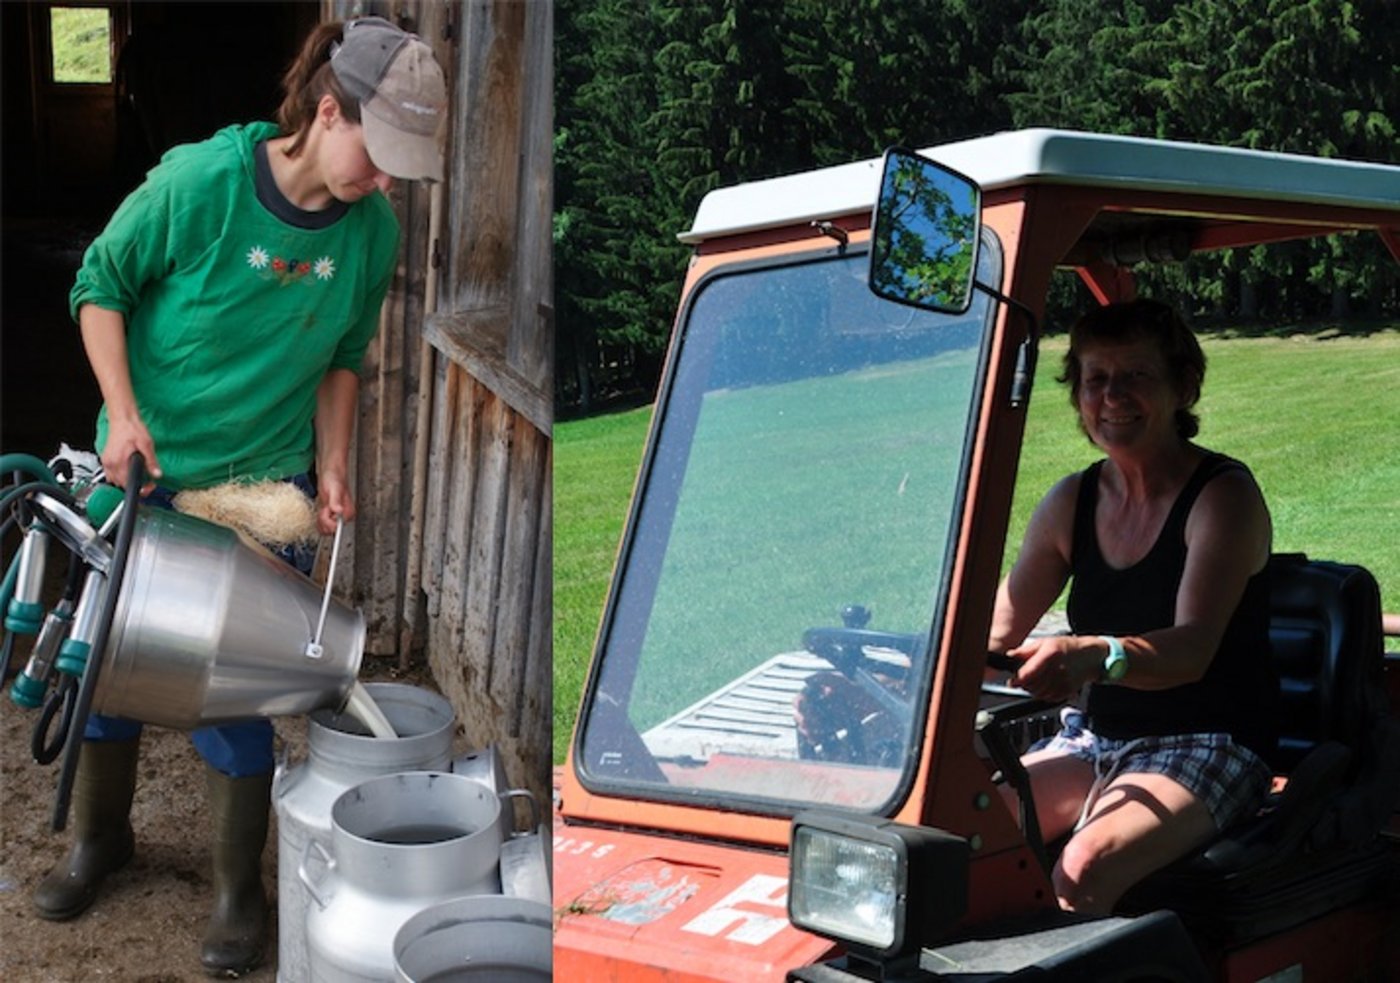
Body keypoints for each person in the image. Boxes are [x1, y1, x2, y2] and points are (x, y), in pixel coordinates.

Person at [34, 17, 445, 976]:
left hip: (263, 493)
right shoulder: (201, 185)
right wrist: (122, 414)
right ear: (326, 110)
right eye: (377, 156)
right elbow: (101, 286)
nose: (383, 182)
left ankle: (235, 889)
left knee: (238, 699)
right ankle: (99, 840)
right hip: (149, 476)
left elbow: (344, 359)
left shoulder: (369, 232)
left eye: (399, 170)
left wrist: (335, 461)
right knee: (108, 677)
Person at [988, 298, 1278, 915]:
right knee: (975, 835)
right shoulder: (1073, 498)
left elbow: (1193, 648)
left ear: (1184, 386)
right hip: (1097, 738)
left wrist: (1097, 654)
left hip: (1210, 739)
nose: (1112, 396)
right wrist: (898, 672)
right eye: (1096, 379)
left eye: (1136, 376)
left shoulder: (1222, 496)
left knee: (1083, 868)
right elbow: (997, 630)